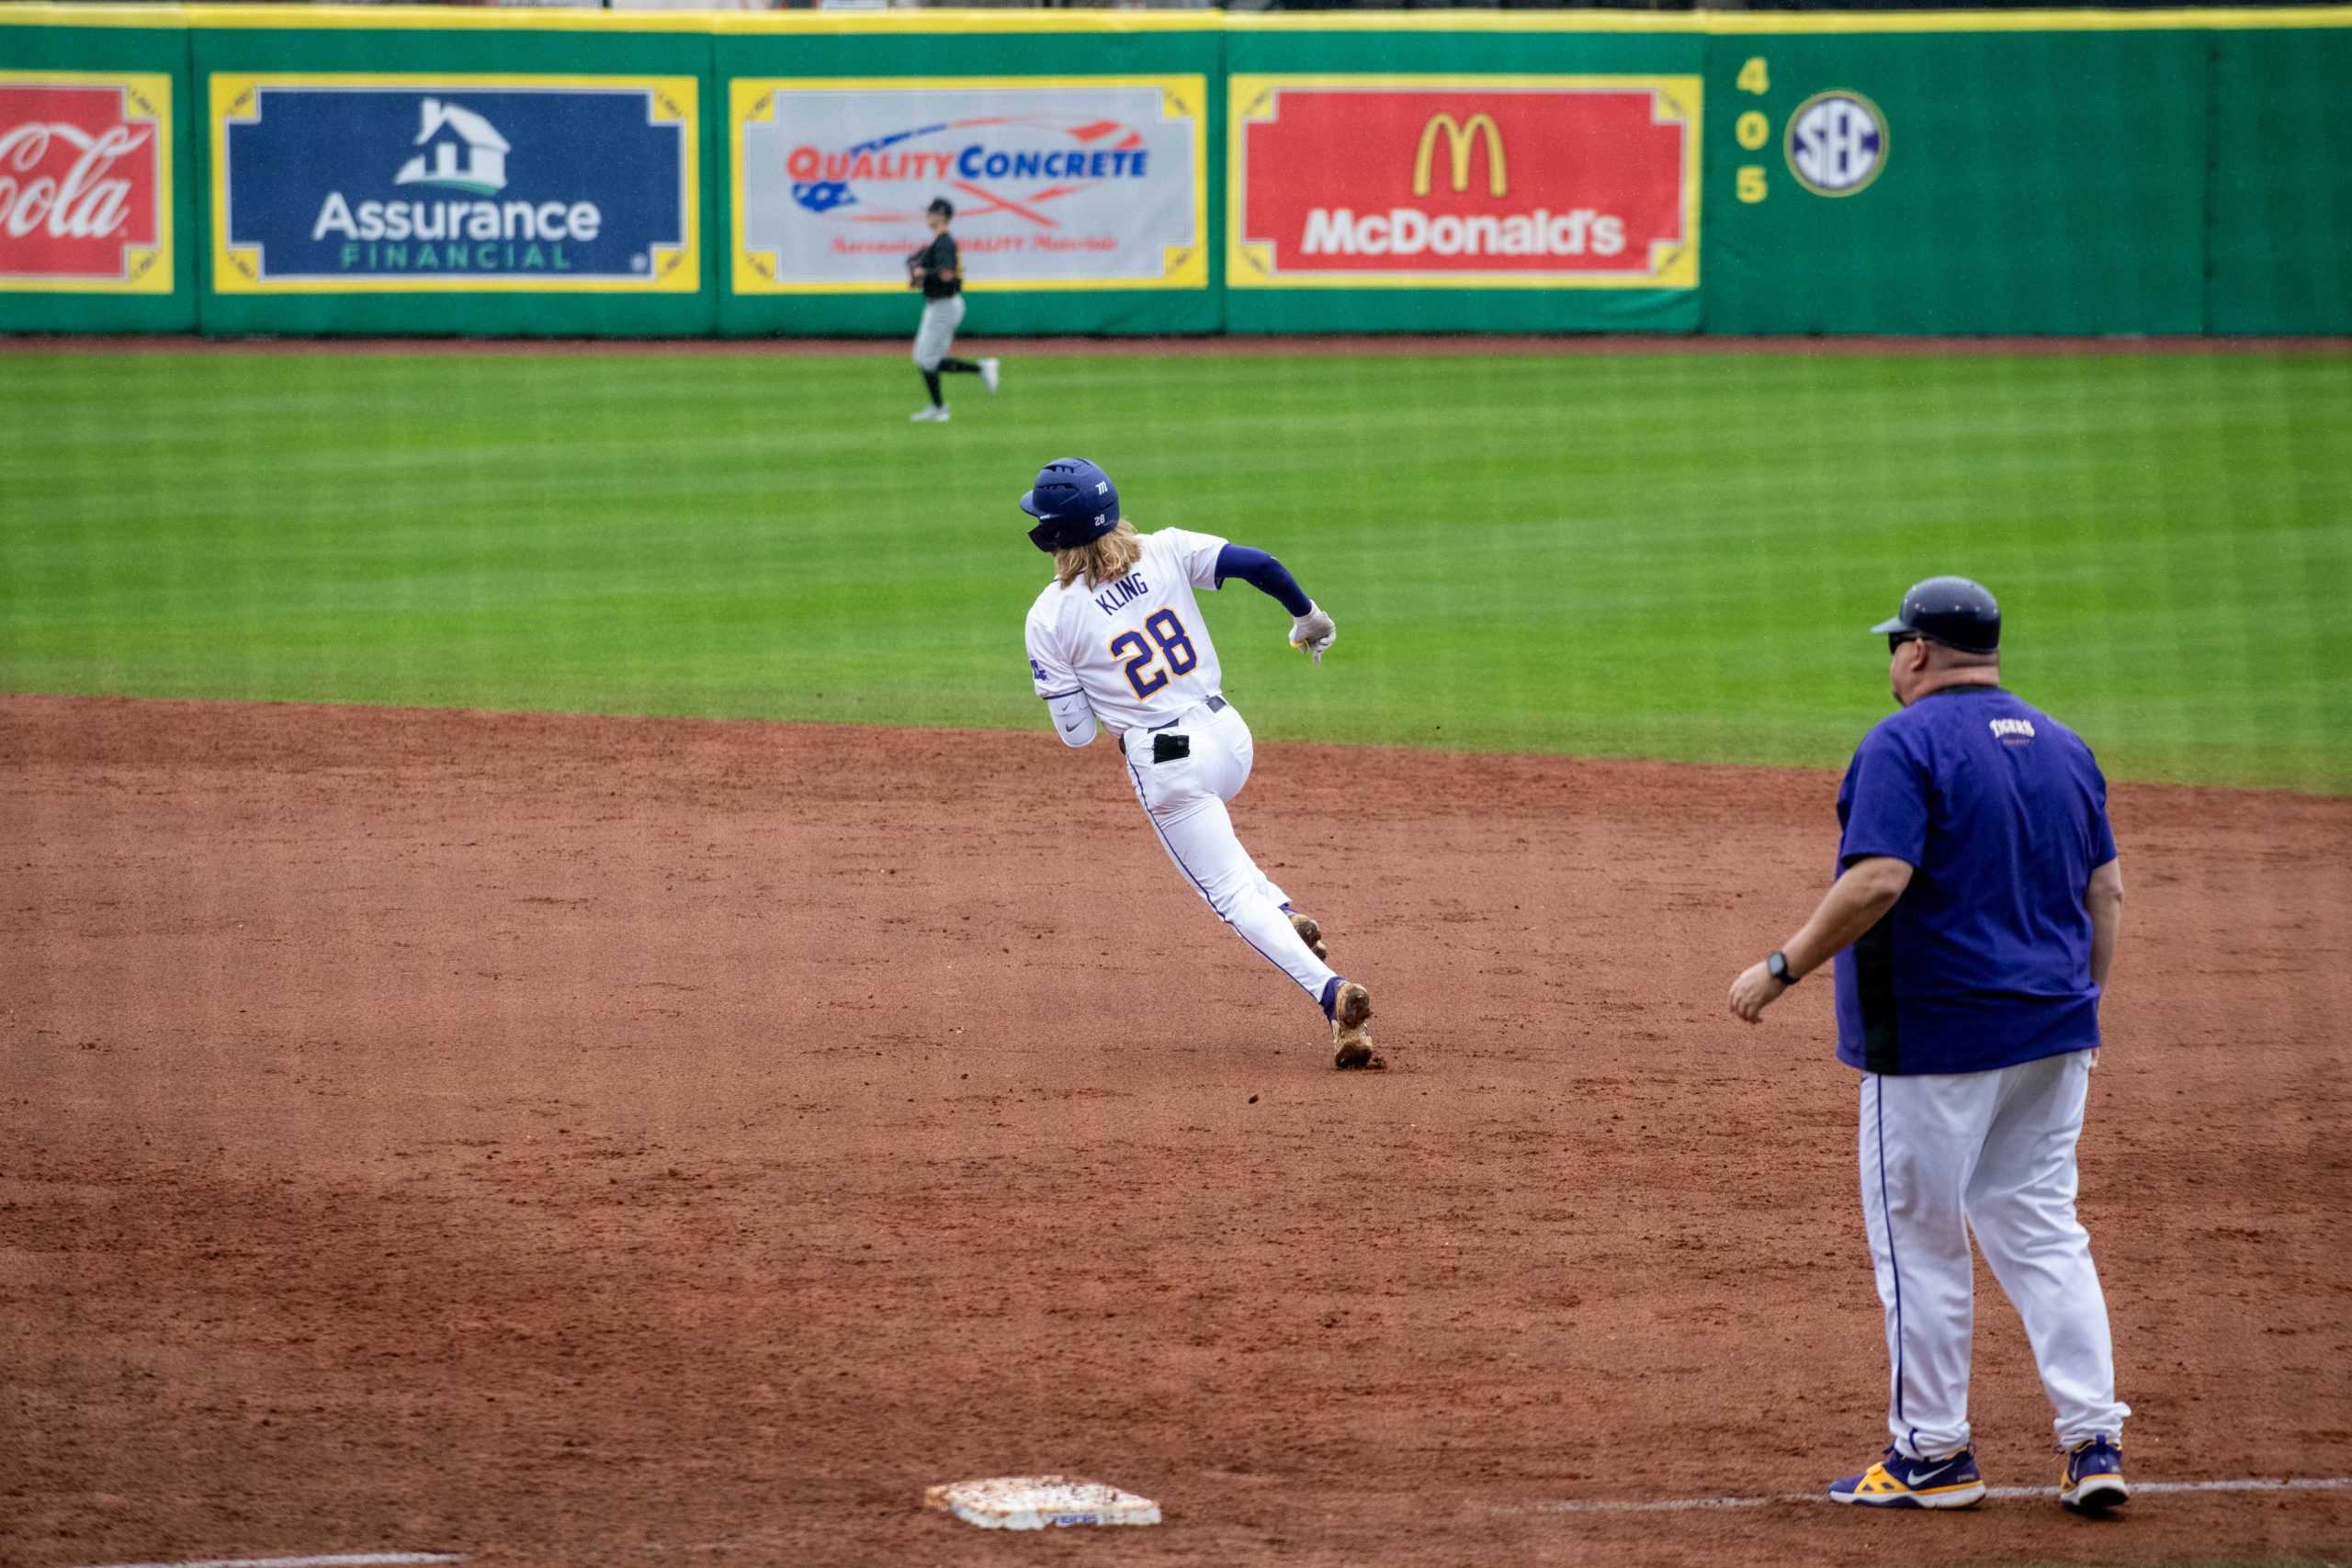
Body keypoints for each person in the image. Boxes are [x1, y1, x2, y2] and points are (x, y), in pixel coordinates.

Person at [1725, 576, 2131, 1514]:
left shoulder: (1901, 743)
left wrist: (1780, 967)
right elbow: (2106, 896)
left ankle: (1933, 1455)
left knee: (1920, 1244)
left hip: (1939, 1041)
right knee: (2041, 1229)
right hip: (2053, 1034)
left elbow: (1876, 882)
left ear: (1916, 651)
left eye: (1894, 646)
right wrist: (2080, 1010)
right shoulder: (2065, 746)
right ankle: (2091, 1440)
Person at [1016, 457, 1380, 1069]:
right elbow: (1259, 565)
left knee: (1230, 894)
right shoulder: (1166, 548)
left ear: (1051, 536)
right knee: (1231, 861)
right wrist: (1307, 616)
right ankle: (1286, 912)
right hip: (1231, 739)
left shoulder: (1048, 616)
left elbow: (1076, 734)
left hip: (1169, 764)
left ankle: (1331, 992)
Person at [905, 197, 998, 423]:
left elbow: (947, 274)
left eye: (931, 212)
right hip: (937, 305)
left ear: (941, 215)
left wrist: (922, 273)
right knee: (924, 358)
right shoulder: (938, 242)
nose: (927, 216)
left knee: (927, 359)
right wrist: (919, 275)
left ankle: (942, 408)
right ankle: (980, 371)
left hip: (945, 306)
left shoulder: (944, 242)